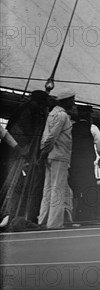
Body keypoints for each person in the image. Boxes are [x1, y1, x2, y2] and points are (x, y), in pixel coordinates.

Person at [0, 90, 49, 223]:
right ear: (35, 102)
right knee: (12, 185)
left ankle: (12, 215)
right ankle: (8, 215)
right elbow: (16, 133)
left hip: (17, 156)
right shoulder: (25, 113)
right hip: (12, 157)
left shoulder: (32, 112)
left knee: (16, 186)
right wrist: (23, 151)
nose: (41, 107)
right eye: (40, 104)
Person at [37, 89, 76, 229]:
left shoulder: (52, 114)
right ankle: (54, 224)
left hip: (51, 156)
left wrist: (44, 153)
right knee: (57, 190)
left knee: (48, 189)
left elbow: (46, 137)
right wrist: (44, 152)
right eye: (72, 100)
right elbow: (52, 137)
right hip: (59, 157)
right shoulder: (62, 116)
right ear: (65, 101)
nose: (74, 102)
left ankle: (43, 220)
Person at [69, 105, 100, 222]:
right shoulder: (92, 128)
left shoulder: (71, 128)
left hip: (74, 164)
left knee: (74, 189)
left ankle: (73, 216)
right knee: (89, 189)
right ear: (89, 115)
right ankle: (88, 217)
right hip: (87, 164)